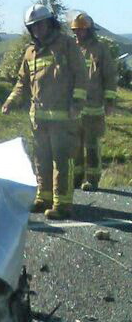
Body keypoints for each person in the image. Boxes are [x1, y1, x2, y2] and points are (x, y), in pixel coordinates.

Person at [2, 4, 88, 220]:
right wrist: (10, 101)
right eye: (33, 26)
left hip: (63, 117)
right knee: (41, 158)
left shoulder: (66, 45)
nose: (37, 29)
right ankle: (44, 197)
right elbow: (22, 81)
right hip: (39, 118)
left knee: (62, 160)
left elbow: (80, 75)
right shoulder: (30, 52)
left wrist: (76, 103)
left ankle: (62, 204)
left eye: (40, 24)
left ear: (50, 22)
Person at [70, 11, 117, 191]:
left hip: (94, 107)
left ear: (89, 31)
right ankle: (76, 177)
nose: (78, 34)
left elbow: (109, 76)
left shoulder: (100, 49)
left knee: (91, 145)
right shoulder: (71, 48)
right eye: (76, 31)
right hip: (74, 108)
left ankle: (92, 179)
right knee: (75, 145)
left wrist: (110, 101)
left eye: (81, 31)